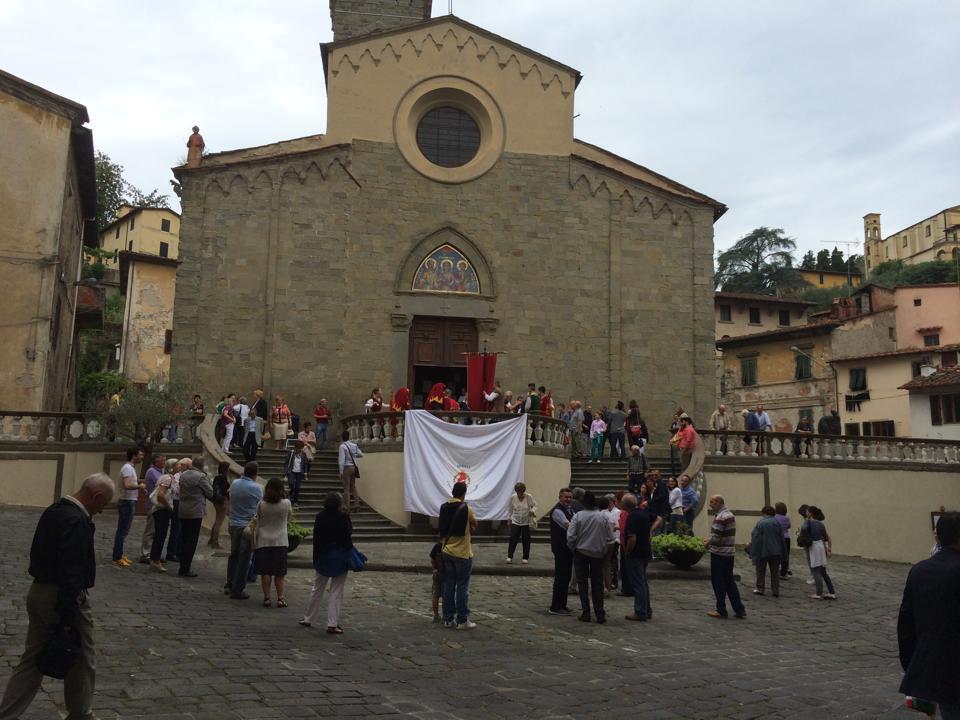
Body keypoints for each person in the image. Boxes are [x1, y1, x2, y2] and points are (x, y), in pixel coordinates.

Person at [0, 473, 116, 720]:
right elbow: (71, 569)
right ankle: (81, 712)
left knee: (32, 658)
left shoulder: (54, 510)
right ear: (95, 496)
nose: (101, 510)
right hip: (61, 595)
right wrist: (68, 611)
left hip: (39, 591)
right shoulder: (76, 520)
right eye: (102, 504)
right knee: (84, 656)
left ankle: (7, 713)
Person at [897, 512, 960, 718]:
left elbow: (906, 625)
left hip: (939, 670)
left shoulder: (919, 570)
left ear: (937, 536)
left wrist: (913, 665)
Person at [300, 492, 354, 634]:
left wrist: (316, 558)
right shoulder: (343, 518)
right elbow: (348, 538)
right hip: (339, 556)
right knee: (336, 590)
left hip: (323, 556)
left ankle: (309, 618)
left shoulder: (320, 516)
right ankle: (332, 623)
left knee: (317, 588)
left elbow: (316, 539)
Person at [566, 490, 613, 623]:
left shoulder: (578, 516)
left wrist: (573, 548)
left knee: (582, 583)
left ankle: (586, 612)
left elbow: (570, 536)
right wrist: (603, 550)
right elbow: (610, 538)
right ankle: (600, 613)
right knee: (597, 583)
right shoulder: (603, 517)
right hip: (598, 554)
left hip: (581, 552)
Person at [438, 482, 478, 629]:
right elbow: (475, 524)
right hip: (462, 553)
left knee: (448, 585)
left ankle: (448, 619)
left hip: (447, 551)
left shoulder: (443, 507)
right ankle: (462, 620)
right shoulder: (466, 508)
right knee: (462, 586)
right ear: (464, 493)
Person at [704, 495, 746, 619]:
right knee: (729, 582)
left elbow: (716, 538)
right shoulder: (730, 515)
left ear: (718, 502)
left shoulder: (720, 517)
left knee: (718, 582)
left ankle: (721, 609)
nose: (710, 504)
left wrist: (707, 543)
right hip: (729, 553)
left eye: (712, 502)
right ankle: (739, 608)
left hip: (719, 553)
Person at [227, 461, 263, 600]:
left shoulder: (235, 483)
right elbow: (259, 506)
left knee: (233, 555)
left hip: (233, 523)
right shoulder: (257, 488)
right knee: (245, 558)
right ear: (255, 473)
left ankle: (230, 583)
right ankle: (238, 588)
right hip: (247, 526)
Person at [254, 477, 292, 608]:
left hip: (264, 540)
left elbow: (258, 519)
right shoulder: (286, 503)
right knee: (280, 573)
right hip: (280, 540)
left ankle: (267, 598)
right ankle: (280, 598)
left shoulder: (261, 504)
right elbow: (289, 517)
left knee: (266, 572)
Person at [623, 492, 661, 622]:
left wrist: (627, 552)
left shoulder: (632, 516)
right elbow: (659, 519)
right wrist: (651, 530)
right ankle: (647, 609)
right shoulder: (643, 512)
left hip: (636, 553)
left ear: (624, 504)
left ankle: (640, 611)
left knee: (638, 583)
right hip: (645, 551)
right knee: (643, 582)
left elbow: (632, 538)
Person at [176, 456, 214, 578]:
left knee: (184, 538)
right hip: (195, 510)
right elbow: (210, 492)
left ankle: (182, 565)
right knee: (191, 541)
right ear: (202, 465)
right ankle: (185, 568)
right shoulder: (201, 477)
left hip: (183, 508)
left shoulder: (184, 474)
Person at [112, 446, 144, 568]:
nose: (142, 457)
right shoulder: (127, 468)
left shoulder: (130, 468)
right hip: (127, 501)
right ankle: (117, 557)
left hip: (129, 501)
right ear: (134, 455)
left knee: (124, 530)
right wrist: (139, 486)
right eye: (140, 455)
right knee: (122, 530)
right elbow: (127, 485)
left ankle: (119, 554)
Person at [548, 487, 574, 615]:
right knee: (561, 576)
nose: (568, 499)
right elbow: (568, 526)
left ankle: (562, 604)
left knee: (566, 576)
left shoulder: (569, 510)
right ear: (560, 497)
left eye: (570, 497)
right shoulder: (557, 511)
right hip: (561, 548)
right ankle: (556, 605)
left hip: (567, 548)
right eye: (566, 497)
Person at [149, 459, 178, 573]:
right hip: (162, 509)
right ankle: (155, 561)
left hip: (161, 509)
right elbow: (161, 494)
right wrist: (168, 506)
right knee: (160, 535)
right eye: (177, 465)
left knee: (160, 535)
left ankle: (155, 560)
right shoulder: (167, 478)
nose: (179, 466)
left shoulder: (167, 477)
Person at [802, 506, 836, 600]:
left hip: (814, 546)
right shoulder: (821, 524)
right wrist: (828, 549)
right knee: (823, 571)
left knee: (815, 570)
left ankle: (818, 593)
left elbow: (804, 530)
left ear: (810, 513)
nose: (806, 513)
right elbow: (825, 536)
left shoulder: (808, 522)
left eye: (807, 512)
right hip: (821, 546)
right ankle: (831, 592)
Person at [137, 454, 165, 564]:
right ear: (156, 462)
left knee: (156, 531)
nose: (164, 462)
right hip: (153, 504)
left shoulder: (160, 471)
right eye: (162, 460)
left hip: (158, 504)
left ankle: (154, 554)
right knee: (150, 530)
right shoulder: (152, 472)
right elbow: (160, 484)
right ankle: (145, 554)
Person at [750, 506, 783, 597]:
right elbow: (782, 538)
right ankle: (775, 590)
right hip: (775, 551)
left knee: (760, 570)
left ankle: (760, 588)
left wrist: (753, 551)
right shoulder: (777, 523)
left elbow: (755, 537)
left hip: (762, 550)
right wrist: (783, 552)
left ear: (764, 513)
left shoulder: (760, 523)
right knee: (775, 572)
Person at [506, 482, 537, 564]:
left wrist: (532, 511)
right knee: (513, 538)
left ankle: (525, 557)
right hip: (515, 520)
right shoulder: (513, 497)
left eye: (521, 491)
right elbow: (510, 509)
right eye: (518, 491)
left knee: (526, 540)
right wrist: (509, 519)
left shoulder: (528, 497)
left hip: (526, 521)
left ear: (523, 490)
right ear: (516, 491)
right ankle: (510, 556)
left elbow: (534, 505)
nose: (519, 493)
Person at [338, 430, 363, 509]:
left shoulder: (342, 446)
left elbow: (341, 460)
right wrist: (354, 456)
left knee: (346, 488)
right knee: (353, 487)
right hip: (353, 467)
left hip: (346, 467)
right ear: (349, 436)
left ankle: (347, 506)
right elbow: (361, 454)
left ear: (342, 437)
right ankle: (356, 504)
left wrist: (341, 471)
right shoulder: (354, 445)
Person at [601, 494, 621, 593]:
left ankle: (614, 581)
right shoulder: (602, 512)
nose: (609, 504)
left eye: (610, 502)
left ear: (614, 502)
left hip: (615, 539)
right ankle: (606, 581)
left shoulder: (618, 512)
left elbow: (619, 525)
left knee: (613, 561)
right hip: (604, 540)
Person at [209, 460, 230, 548]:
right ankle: (215, 542)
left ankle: (211, 539)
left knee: (216, 520)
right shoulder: (223, 478)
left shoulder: (217, 477)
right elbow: (225, 491)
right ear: (225, 469)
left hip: (216, 501)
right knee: (219, 522)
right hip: (223, 501)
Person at [285, 440, 309, 506]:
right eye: (299, 448)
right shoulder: (291, 453)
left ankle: (295, 501)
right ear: (295, 447)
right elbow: (287, 463)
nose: (300, 449)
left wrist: (306, 472)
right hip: (291, 471)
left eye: (301, 448)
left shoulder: (303, 454)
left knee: (297, 487)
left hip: (299, 473)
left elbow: (306, 463)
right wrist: (286, 471)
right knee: (291, 484)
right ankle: (290, 497)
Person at [774, 502, 792, 578]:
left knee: (776, 554)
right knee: (785, 555)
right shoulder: (786, 518)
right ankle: (784, 573)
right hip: (786, 537)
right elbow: (789, 526)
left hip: (777, 538)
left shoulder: (774, 517)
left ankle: (776, 570)